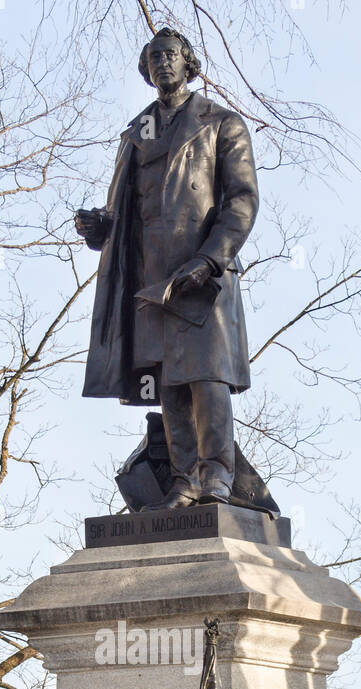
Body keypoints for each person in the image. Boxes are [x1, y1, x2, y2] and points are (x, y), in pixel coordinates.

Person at [75, 27, 259, 508]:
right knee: (168, 382)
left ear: (188, 62)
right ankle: (185, 479)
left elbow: (241, 201)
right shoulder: (138, 133)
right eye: (153, 58)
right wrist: (101, 229)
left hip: (202, 272)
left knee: (206, 377)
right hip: (148, 274)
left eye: (170, 55)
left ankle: (217, 475)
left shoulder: (221, 123)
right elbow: (124, 213)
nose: (162, 64)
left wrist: (209, 259)